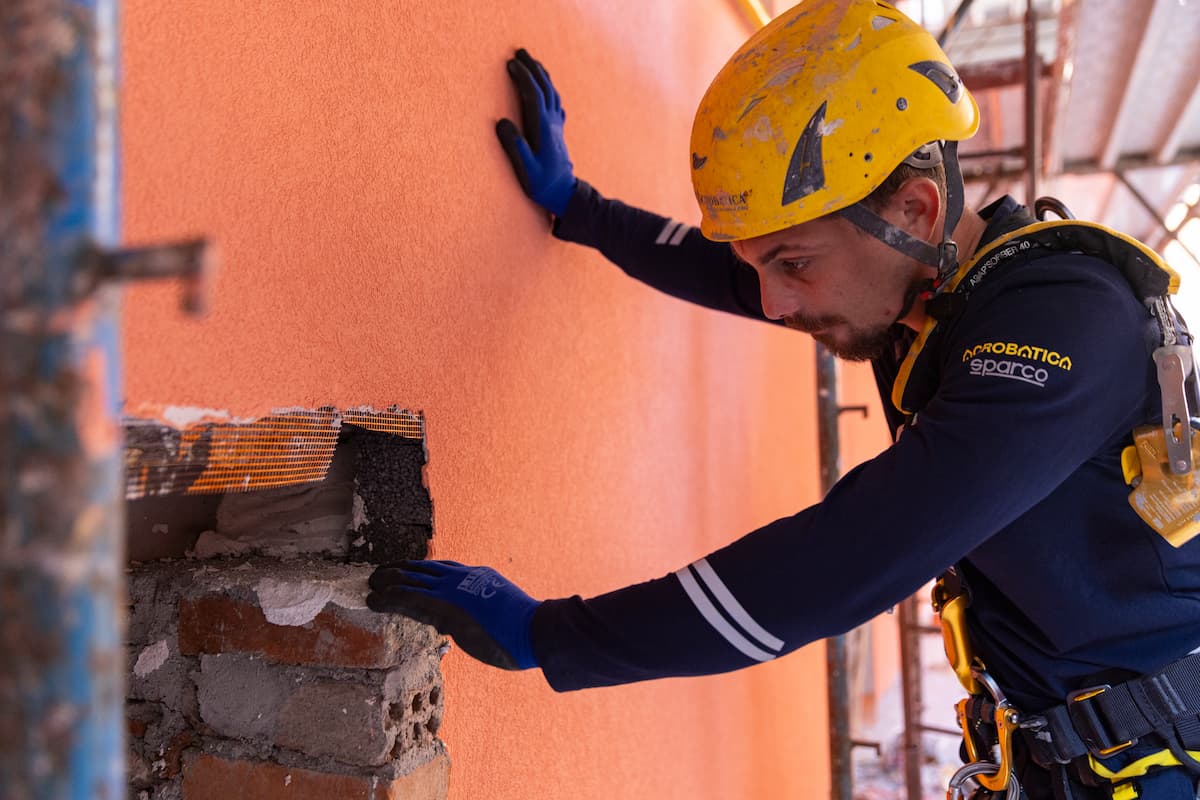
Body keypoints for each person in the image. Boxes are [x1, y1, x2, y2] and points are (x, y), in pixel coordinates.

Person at [367, 2, 1200, 797]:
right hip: (1071, 760)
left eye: (792, 264)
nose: (771, 302)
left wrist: (553, 638)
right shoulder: (925, 288)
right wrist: (579, 209)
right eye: (765, 265)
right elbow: (722, 269)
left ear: (916, 207)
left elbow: (855, 553)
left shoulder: (1065, 321)